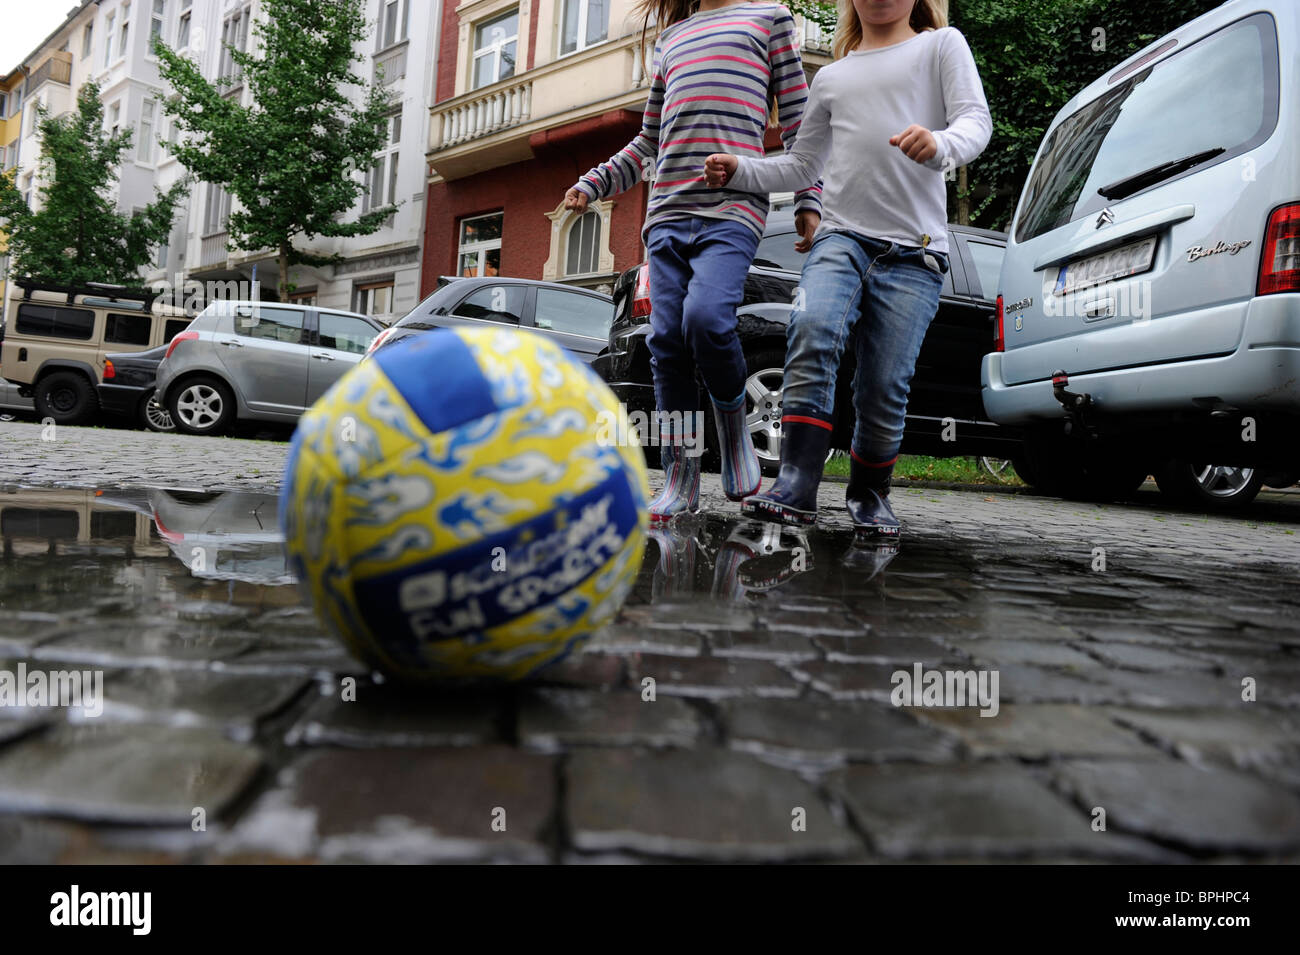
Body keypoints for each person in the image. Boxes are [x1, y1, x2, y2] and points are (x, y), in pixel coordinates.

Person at [703, 0, 990, 542]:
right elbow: (804, 164)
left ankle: (869, 492)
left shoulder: (940, 46)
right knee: (811, 331)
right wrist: (742, 170)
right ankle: (796, 483)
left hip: (915, 252)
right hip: (841, 239)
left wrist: (940, 144)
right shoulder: (831, 77)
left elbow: (976, 121)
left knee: (884, 386)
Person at [565, 0, 822, 520]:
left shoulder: (769, 19)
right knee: (665, 340)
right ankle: (680, 473)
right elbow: (647, 142)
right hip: (665, 215)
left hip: (732, 210)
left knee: (706, 319)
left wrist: (808, 199)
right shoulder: (671, 38)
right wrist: (594, 183)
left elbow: (799, 126)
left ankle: (732, 433)